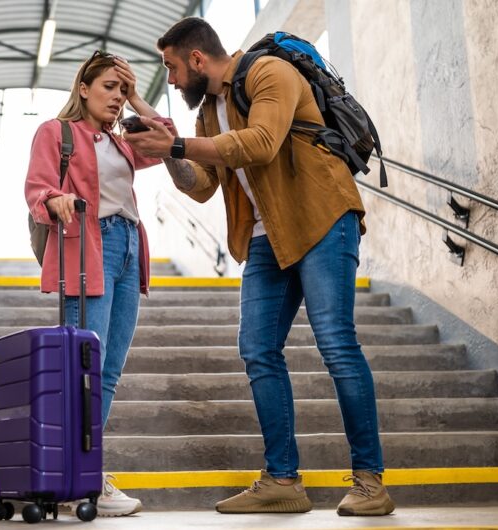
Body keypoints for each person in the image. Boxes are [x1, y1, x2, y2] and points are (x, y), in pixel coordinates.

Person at [123, 17, 395, 516]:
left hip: (321, 218)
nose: (173, 80)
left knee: (335, 341)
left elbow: (261, 143)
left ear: (198, 59)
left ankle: (370, 481)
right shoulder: (208, 112)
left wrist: (175, 144)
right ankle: (283, 480)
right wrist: (162, 144)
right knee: (257, 348)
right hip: (267, 236)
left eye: (173, 68)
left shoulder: (269, 72)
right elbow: (202, 184)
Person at [24, 50, 169, 517]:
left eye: (122, 90)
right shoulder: (57, 132)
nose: (117, 97)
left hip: (128, 250)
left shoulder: (124, 141)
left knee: (109, 371)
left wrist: (139, 99)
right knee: (83, 368)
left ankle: (81, 472)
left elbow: (167, 140)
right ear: (83, 89)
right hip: (89, 244)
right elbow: (36, 189)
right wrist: (56, 199)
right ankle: (79, 475)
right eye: (109, 86)